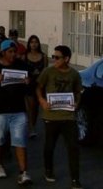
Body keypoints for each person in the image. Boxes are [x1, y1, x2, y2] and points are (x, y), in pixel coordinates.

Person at [0, 40, 32, 185]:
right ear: (3, 52)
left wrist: (29, 81)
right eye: (10, 51)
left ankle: (23, 172)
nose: (13, 54)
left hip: (18, 109)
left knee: (20, 140)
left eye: (14, 51)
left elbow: (32, 80)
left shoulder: (22, 65)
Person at [36, 45, 82, 189]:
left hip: (68, 116)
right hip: (51, 115)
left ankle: (75, 179)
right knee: (49, 146)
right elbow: (38, 88)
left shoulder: (74, 74)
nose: (54, 59)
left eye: (57, 57)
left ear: (66, 59)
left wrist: (76, 103)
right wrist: (42, 101)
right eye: (53, 56)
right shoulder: (48, 72)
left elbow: (78, 91)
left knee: (73, 147)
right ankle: (48, 170)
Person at [25, 35, 48, 139]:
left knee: (37, 108)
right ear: (29, 44)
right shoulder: (24, 56)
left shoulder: (43, 56)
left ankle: (33, 125)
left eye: (36, 42)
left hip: (40, 84)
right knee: (31, 107)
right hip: (29, 84)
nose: (34, 44)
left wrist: (41, 74)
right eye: (32, 42)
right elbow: (22, 70)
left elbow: (46, 70)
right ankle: (31, 128)